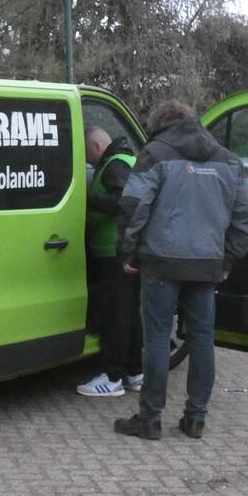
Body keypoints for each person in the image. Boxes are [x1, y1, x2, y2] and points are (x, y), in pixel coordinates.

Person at [114, 101, 248, 440]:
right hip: (207, 265)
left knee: (158, 339)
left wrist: (128, 252)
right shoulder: (227, 159)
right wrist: (227, 260)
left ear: (161, 124)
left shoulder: (155, 153)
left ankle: (150, 418)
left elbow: (134, 206)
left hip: (161, 262)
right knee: (203, 340)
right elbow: (246, 218)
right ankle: (196, 418)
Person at [77, 126, 143, 397]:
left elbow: (121, 202)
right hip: (128, 250)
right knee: (129, 314)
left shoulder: (115, 166)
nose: (89, 161)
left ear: (95, 147)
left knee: (115, 315)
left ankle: (112, 377)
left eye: (87, 154)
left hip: (114, 251)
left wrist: (88, 200)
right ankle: (135, 373)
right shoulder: (128, 159)